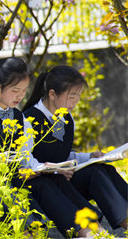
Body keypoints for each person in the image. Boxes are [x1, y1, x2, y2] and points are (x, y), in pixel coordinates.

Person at [0, 57, 103, 237]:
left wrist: (44, 168)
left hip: (19, 181)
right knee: (43, 184)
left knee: (53, 179)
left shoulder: (19, 117)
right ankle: (86, 233)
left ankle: (91, 230)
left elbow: (27, 158)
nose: (20, 96)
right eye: (15, 90)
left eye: (23, 91)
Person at [22, 65, 128, 230]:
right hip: (47, 185)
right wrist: (56, 170)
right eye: (71, 97)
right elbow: (27, 161)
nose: (75, 102)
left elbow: (62, 154)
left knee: (101, 169)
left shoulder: (66, 117)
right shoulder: (28, 120)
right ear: (52, 94)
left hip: (65, 179)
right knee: (94, 173)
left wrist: (91, 156)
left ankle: (126, 218)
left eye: (78, 97)